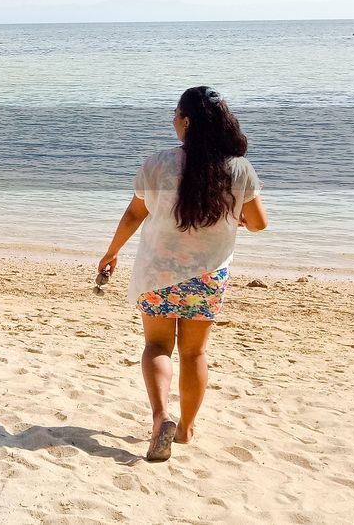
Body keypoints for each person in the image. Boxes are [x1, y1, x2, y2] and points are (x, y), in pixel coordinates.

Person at [98, 86, 267, 462]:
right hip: (207, 277)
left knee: (158, 347)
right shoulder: (239, 168)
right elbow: (258, 223)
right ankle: (187, 429)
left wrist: (110, 254)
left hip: (158, 273)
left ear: (187, 121)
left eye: (175, 113)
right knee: (195, 353)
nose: (173, 119)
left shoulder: (158, 163)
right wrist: (235, 214)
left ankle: (161, 418)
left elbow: (133, 215)